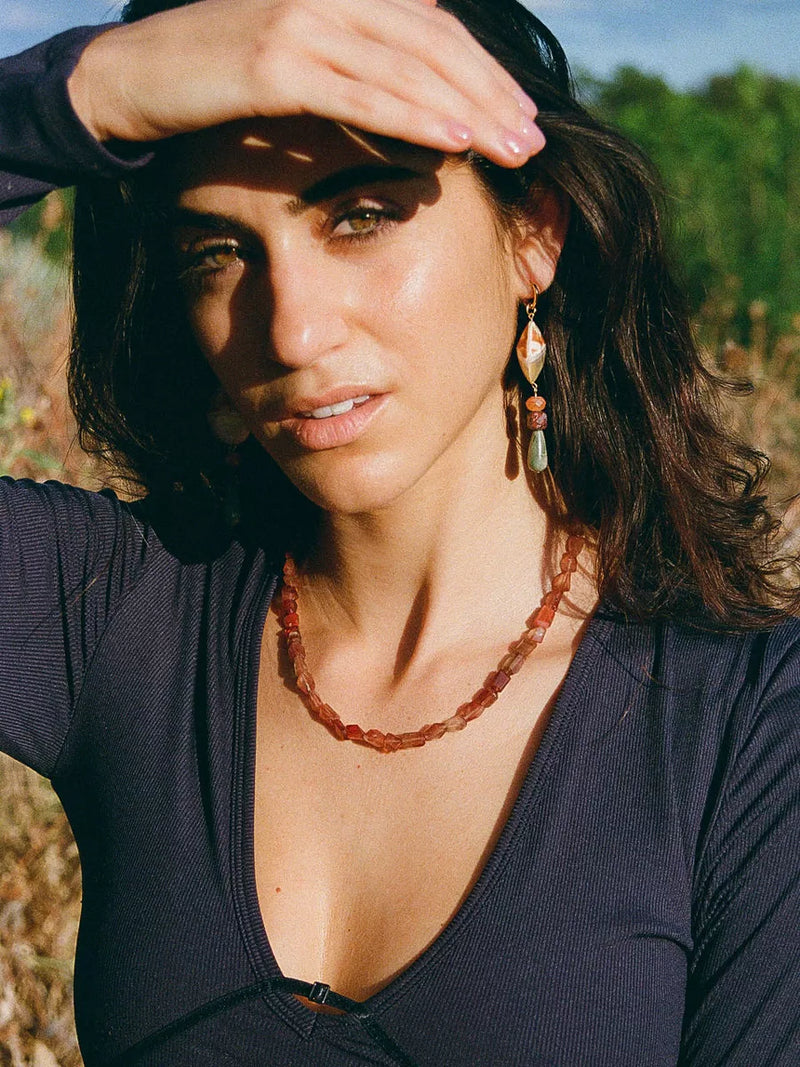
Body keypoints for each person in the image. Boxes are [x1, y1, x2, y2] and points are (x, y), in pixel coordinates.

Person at [1, 1, 798, 1064]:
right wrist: (84, 94)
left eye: (361, 215)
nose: (289, 326)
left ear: (532, 234)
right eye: (217, 251)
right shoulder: (112, 613)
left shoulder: (745, 732)